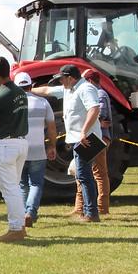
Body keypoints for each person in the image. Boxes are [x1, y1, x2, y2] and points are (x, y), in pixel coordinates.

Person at [31, 64, 102, 222]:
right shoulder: (68, 89)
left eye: (62, 79)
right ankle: (88, 211)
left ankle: (91, 213)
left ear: (70, 78)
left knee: (84, 175)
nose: (60, 82)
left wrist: (84, 131)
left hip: (88, 139)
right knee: (82, 175)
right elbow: (47, 91)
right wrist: (27, 90)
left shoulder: (86, 89)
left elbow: (94, 109)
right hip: (80, 138)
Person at [0, 57, 29, 241]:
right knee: (14, 188)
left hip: (6, 144)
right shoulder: (21, 93)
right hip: (21, 143)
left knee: (10, 189)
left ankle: (16, 228)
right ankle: (20, 227)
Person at [14, 72, 57, 228]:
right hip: (38, 150)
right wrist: (52, 146)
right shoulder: (43, 103)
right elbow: (52, 128)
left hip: (18, 149)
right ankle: (30, 212)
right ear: (31, 86)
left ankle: (24, 212)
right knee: (36, 184)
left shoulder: (13, 104)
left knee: (22, 184)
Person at [71, 69, 112, 215]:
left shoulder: (98, 94)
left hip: (96, 138)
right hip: (96, 137)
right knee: (85, 173)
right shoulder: (98, 92)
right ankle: (81, 207)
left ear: (88, 80)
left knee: (95, 173)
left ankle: (100, 207)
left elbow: (100, 116)